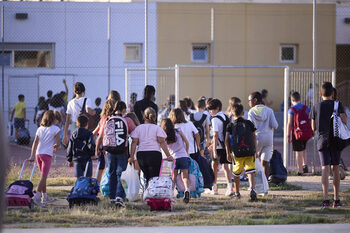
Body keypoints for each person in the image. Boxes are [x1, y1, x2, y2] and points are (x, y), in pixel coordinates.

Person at [311, 82, 347, 208]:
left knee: (325, 168)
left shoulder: (316, 106)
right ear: (332, 93)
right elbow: (344, 121)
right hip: (335, 140)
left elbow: (313, 127)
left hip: (322, 140)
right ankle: (336, 200)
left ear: (321, 94)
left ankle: (325, 200)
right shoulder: (338, 104)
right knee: (335, 168)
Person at [95, 101, 134, 208]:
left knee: (111, 173)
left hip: (109, 151)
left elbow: (100, 137)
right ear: (123, 109)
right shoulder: (127, 120)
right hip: (122, 151)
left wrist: (97, 149)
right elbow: (135, 133)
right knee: (121, 174)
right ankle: (119, 196)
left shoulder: (107, 119)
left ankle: (112, 197)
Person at [129, 107, 172, 184]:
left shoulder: (139, 128)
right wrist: (168, 156)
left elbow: (134, 142)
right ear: (155, 117)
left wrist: (131, 156)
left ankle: (147, 191)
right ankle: (152, 192)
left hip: (141, 154)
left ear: (143, 117)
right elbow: (162, 142)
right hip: (154, 154)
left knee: (147, 175)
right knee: (154, 176)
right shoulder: (157, 128)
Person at [28, 110, 61, 207]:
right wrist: (55, 146)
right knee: (44, 177)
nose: (57, 121)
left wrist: (31, 155)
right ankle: (36, 198)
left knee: (43, 176)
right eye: (57, 119)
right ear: (53, 119)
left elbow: (35, 142)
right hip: (47, 155)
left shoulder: (40, 128)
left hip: (38, 154)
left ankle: (44, 196)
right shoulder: (56, 129)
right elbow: (58, 143)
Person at [225, 104, 257, 200]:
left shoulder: (230, 125)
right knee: (250, 171)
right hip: (249, 151)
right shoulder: (249, 123)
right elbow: (254, 137)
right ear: (243, 113)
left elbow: (227, 139)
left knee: (236, 174)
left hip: (237, 153)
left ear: (232, 115)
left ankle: (237, 192)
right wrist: (255, 150)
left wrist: (228, 152)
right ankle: (252, 189)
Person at [248, 92, 278, 180]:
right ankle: (265, 185)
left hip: (256, 138)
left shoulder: (251, 111)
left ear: (255, 100)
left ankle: (255, 183)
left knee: (253, 162)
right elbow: (275, 125)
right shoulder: (269, 110)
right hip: (268, 138)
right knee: (265, 162)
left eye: (249, 100)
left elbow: (250, 127)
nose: (248, 102)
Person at [207, 99, 233, 196]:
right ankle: (230, 187)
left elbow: (215, 134)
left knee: (214, 166)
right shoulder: (225, 116)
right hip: (226, 145)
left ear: (217, 108)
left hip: (218, 146)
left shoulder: (214, 119)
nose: (210, 111)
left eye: (211, 109)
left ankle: (214, 188)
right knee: (226, 167)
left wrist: (213, 149)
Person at [161, 118, 191, 203]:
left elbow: (164, 148)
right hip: (183, 156)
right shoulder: (178, 131)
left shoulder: (164, 136)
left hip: (173, 158)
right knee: (185, 176)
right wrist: (187, 153)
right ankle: (187, 190)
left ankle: (171, 194)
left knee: (173, 177)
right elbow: (187, 142)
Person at [62, 82, 96, 146]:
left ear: (74, 91)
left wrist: (65, 135)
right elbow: (88, 110)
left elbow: (68, 119)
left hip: (75, 124)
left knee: (75, 144)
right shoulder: (87, 100)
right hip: (85, 124)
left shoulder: (70, 102)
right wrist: (94, 112)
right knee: (85, 143)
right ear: (84, 91)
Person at [287, 91, 311, 175]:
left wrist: (288, 135)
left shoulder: (291, 110)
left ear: (292, 99)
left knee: (298, 152)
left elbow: (289, 123)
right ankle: (305, 165)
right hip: (305, 132)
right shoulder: (306, 108)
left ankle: (300, 171)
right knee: (304, 149)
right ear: (299, 98)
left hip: (296, 133)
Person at [93, 99, 117, 183]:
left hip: (101, 145)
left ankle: (97, 183)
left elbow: (94, 133)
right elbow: (100, 135)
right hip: (107, 145)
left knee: (101, 166)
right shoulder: (111, 120)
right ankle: (107, 184)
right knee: (108, 166)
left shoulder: (102, 119)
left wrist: (94, 145)